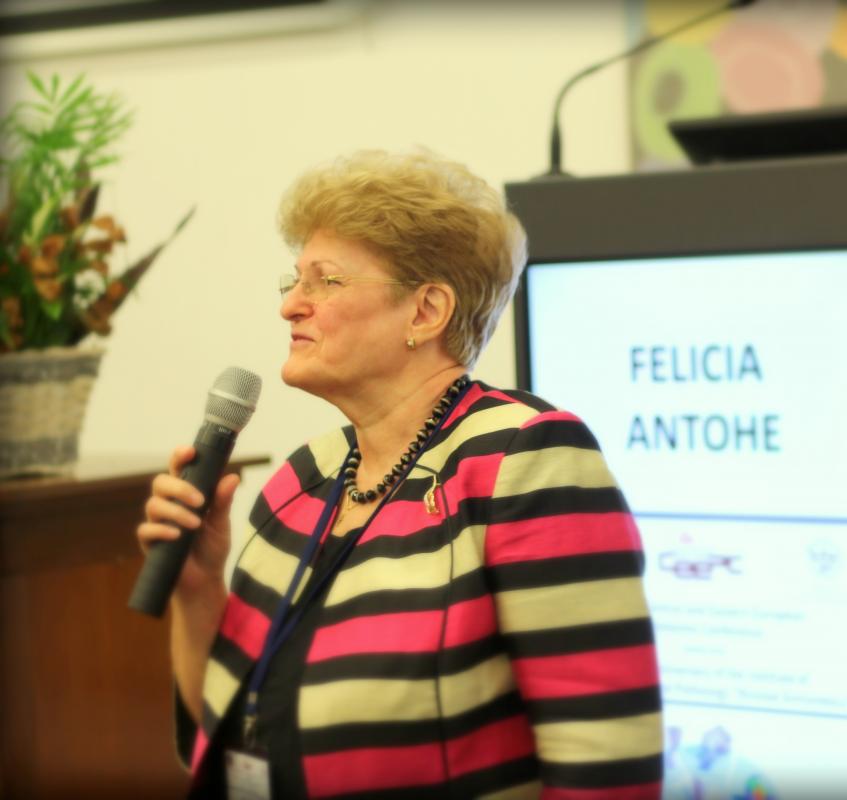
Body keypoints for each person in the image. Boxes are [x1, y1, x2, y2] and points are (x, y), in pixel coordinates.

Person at [138, 149, 663, 798]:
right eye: (294, 281)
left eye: (325, 282)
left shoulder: (524, 460)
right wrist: (196, 593)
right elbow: (226, 735)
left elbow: (607, 767)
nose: (291, 306)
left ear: (425, 311)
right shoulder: (303, 482)